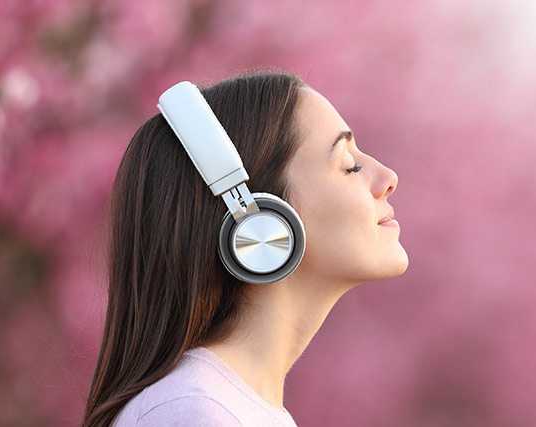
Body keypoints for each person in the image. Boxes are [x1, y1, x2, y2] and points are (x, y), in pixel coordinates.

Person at [81, 71, 408, 427]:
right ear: (259, 221)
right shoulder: (192, 412)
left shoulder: (226, 409)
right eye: (349, 166)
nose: (388, 177)